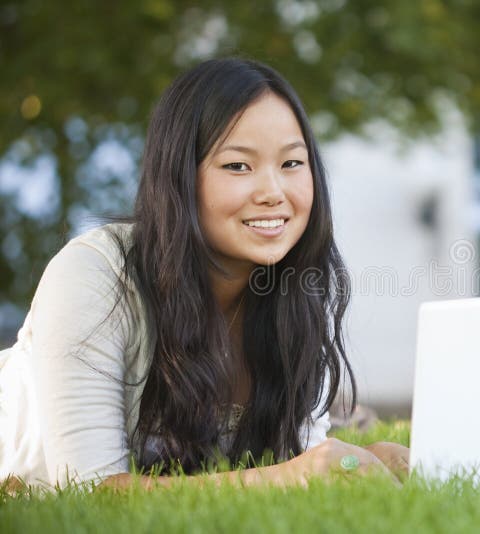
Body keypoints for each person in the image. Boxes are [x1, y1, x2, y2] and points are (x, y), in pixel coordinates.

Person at [0, 57, 409, 491]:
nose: (273, 193)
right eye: (238, 166)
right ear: (180, 177)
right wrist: (291, 478)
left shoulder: (294, 290)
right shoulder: (96, 274)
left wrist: (366, 457)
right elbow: (91, 491)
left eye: (292, 164)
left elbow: (291, 463)